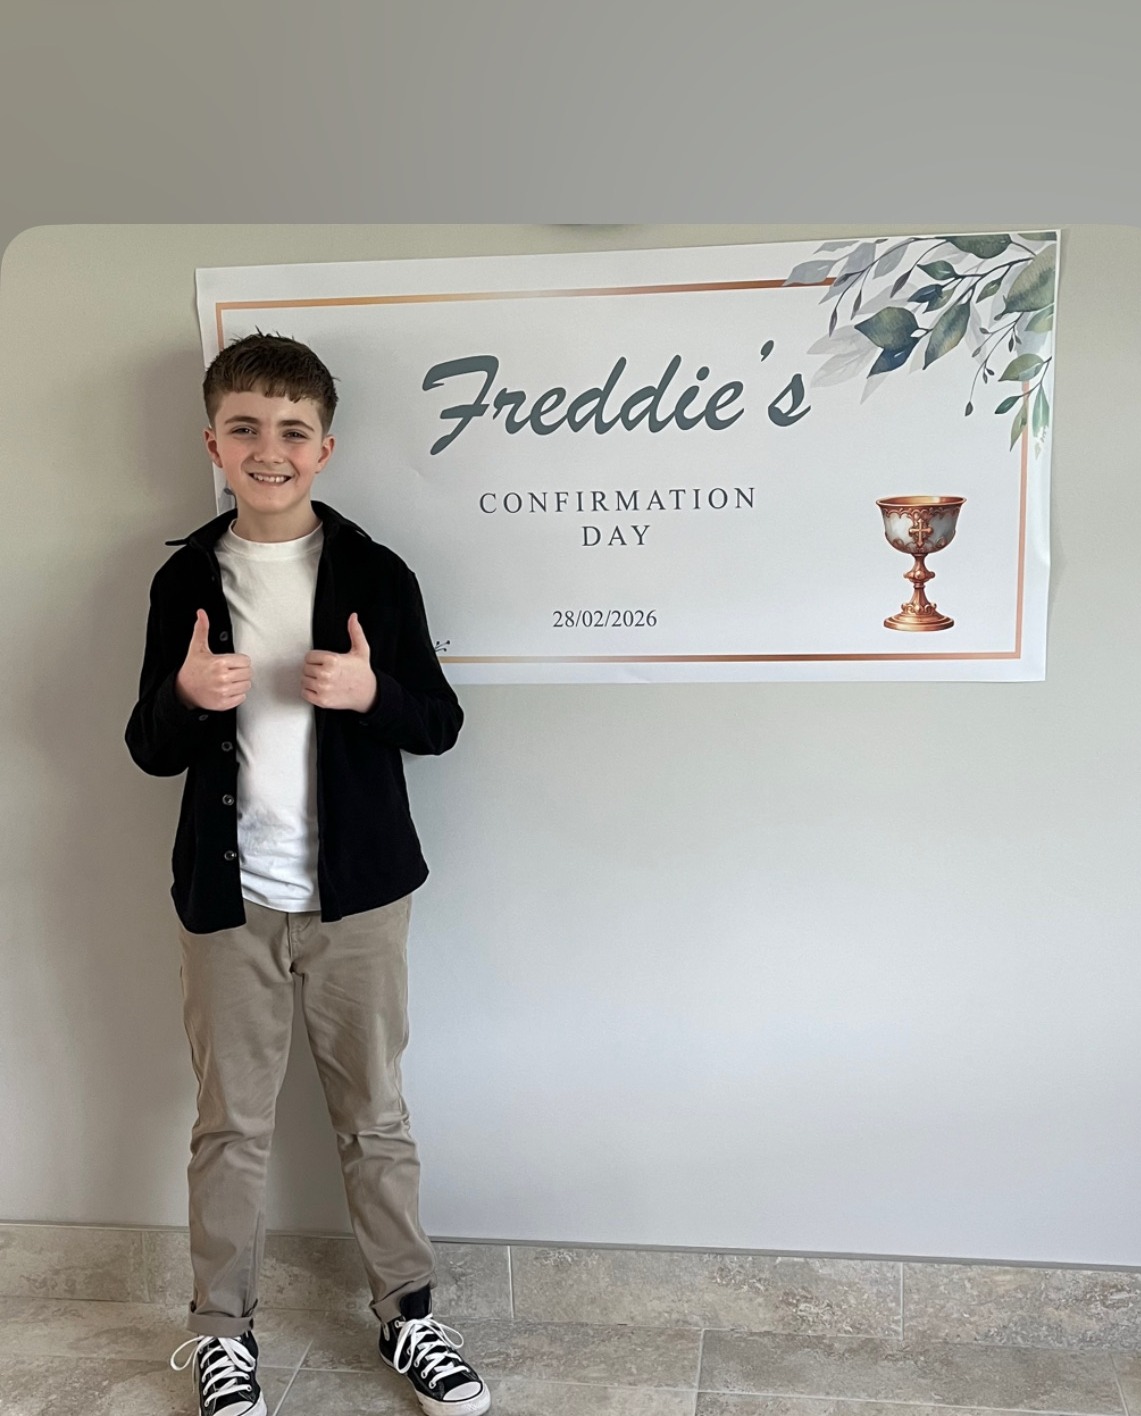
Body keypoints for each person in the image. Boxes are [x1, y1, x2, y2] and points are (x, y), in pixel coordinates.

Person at [125, 332, 489, 1416]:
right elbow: (147, 746)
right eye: (245, 428)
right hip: (225, 901)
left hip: (359, 901)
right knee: (228, 1127)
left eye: (292, 430)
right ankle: (221, 1334)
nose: (268, 449)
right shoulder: (183, 580)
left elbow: (439, 724)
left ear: (324, 448)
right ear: (213, 443)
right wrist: (186, 697)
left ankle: (407, 1315)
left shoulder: (378, 574)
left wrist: (372, 697)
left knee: (374, 1117)